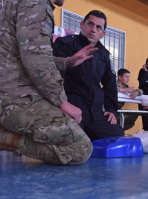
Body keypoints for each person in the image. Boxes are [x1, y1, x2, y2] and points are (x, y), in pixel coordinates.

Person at [0, 0, 99, 165]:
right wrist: (62, 102)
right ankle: (6, 138)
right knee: (80, 147)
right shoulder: (36, 3)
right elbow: (35, 59)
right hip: (15, 99)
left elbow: (25, 54)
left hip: (9, 95)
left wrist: (68, 62)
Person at [53, 10, 124, 141]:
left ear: (103, 34)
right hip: (72, 111)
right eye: (90, 24)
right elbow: (53, 79)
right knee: (73, 140)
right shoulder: (66, 44)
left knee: (117, 134)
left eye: (98, 27)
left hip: (96, 115)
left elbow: (110, 85)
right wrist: (63, 105)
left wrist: (111, 110)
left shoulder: (104, 55)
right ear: (81, 25)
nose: (93, 29)